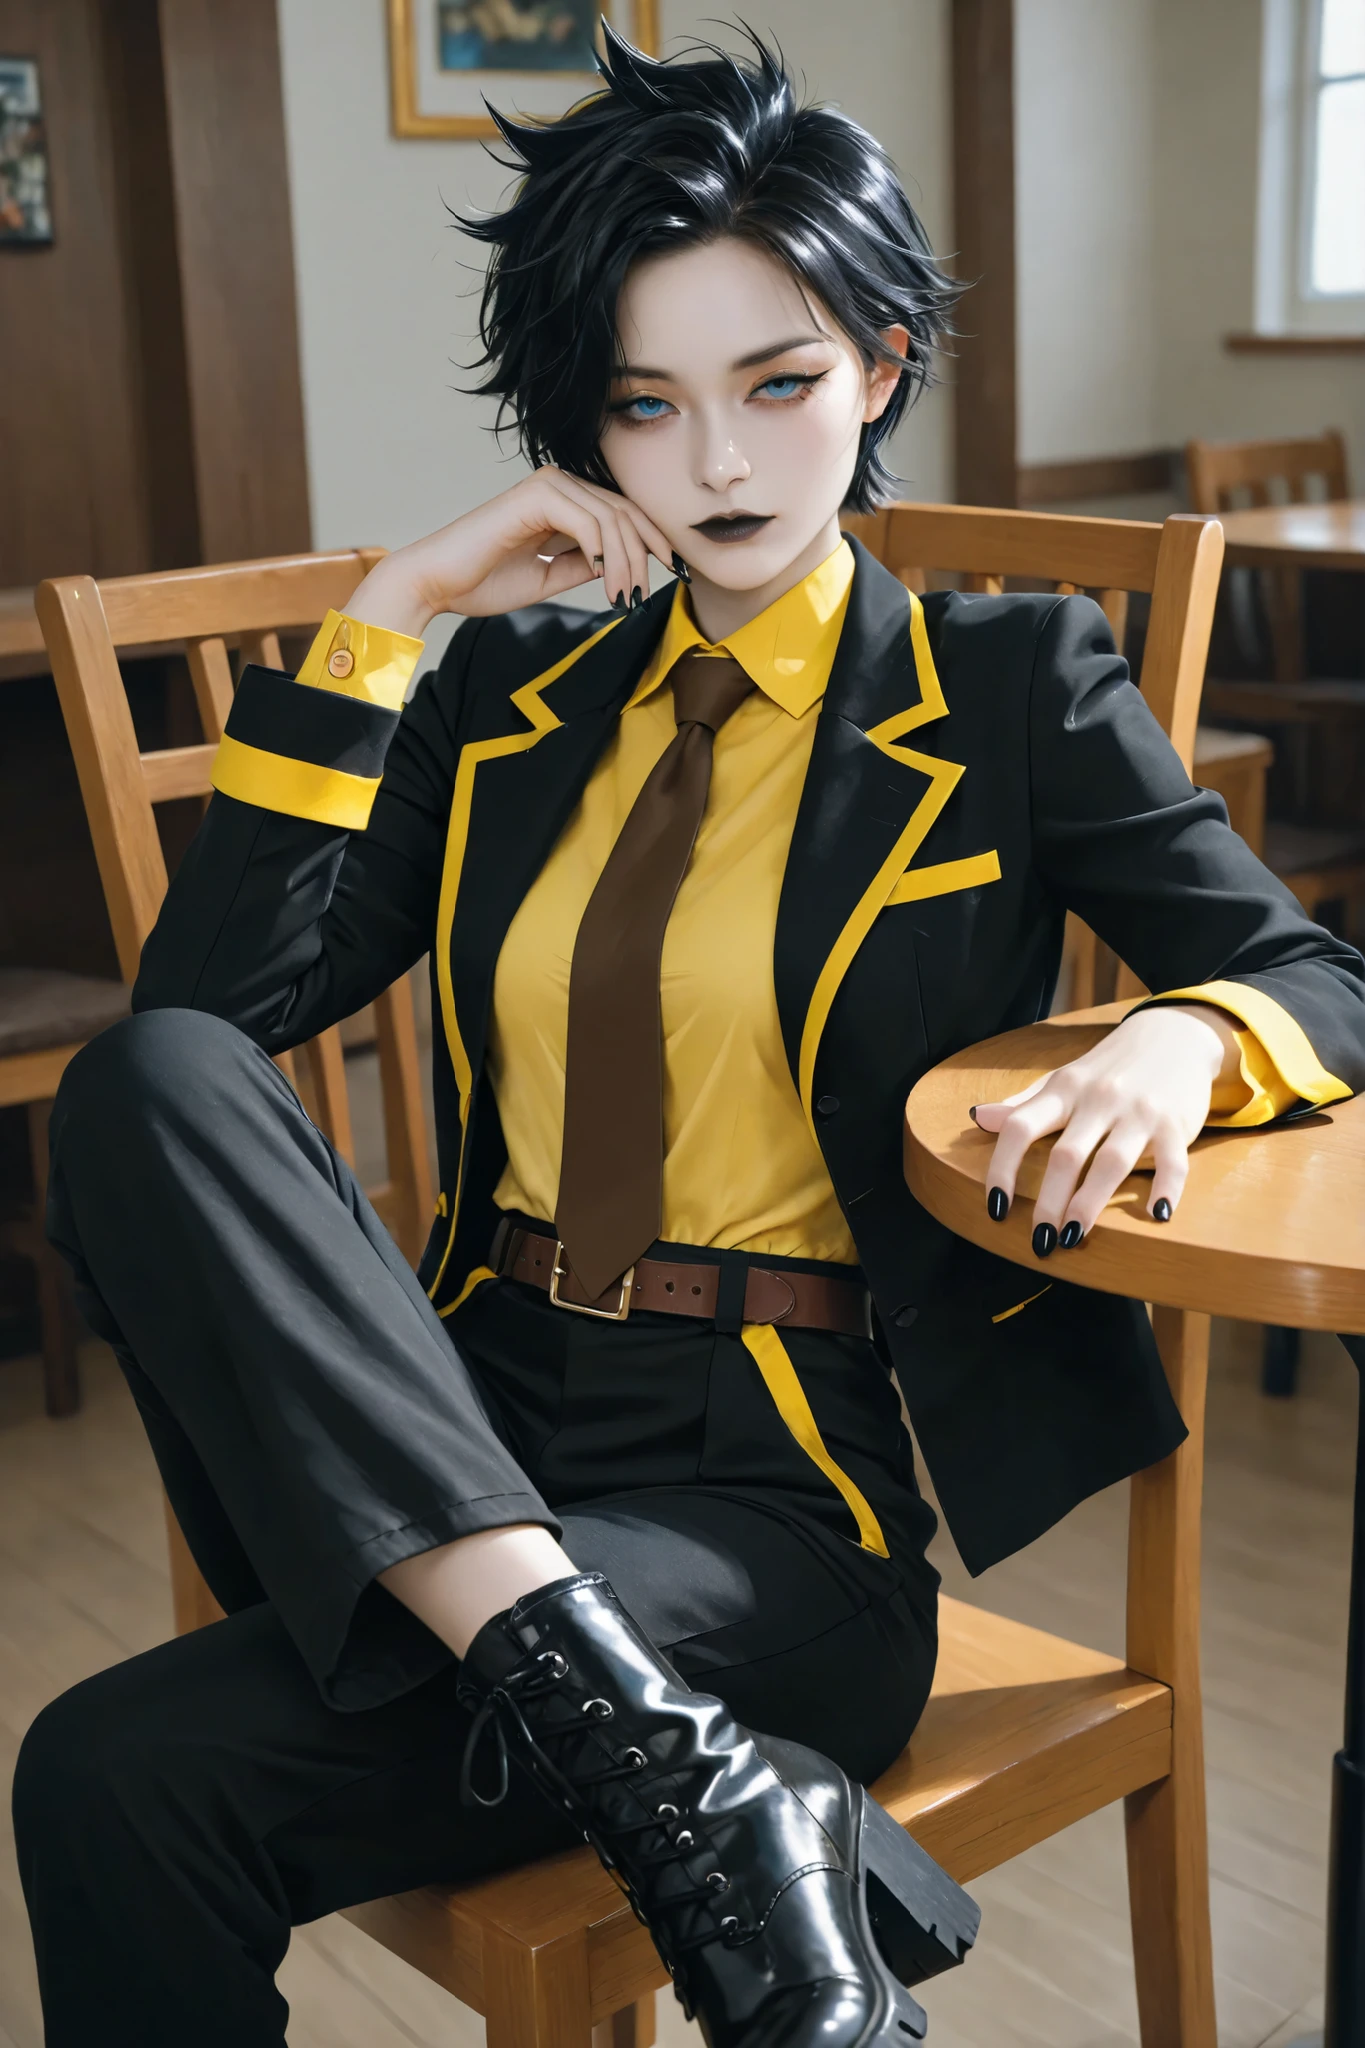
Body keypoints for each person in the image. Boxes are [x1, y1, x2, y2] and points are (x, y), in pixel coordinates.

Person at [15, 25, 1365, 2048]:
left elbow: (1322, 977)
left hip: (774, 1497)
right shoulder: (511, 709)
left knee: (115, 1770)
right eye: (646, 407)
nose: (717, 465)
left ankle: (691, 1766)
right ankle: (710, 1798)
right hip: (458, 1432)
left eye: (777, 385)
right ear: (583, 430)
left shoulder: (1003, 685)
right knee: (101, 1760)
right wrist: (396, 611)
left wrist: (1181, 1037)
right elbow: (206, 1039)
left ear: (881, 365)